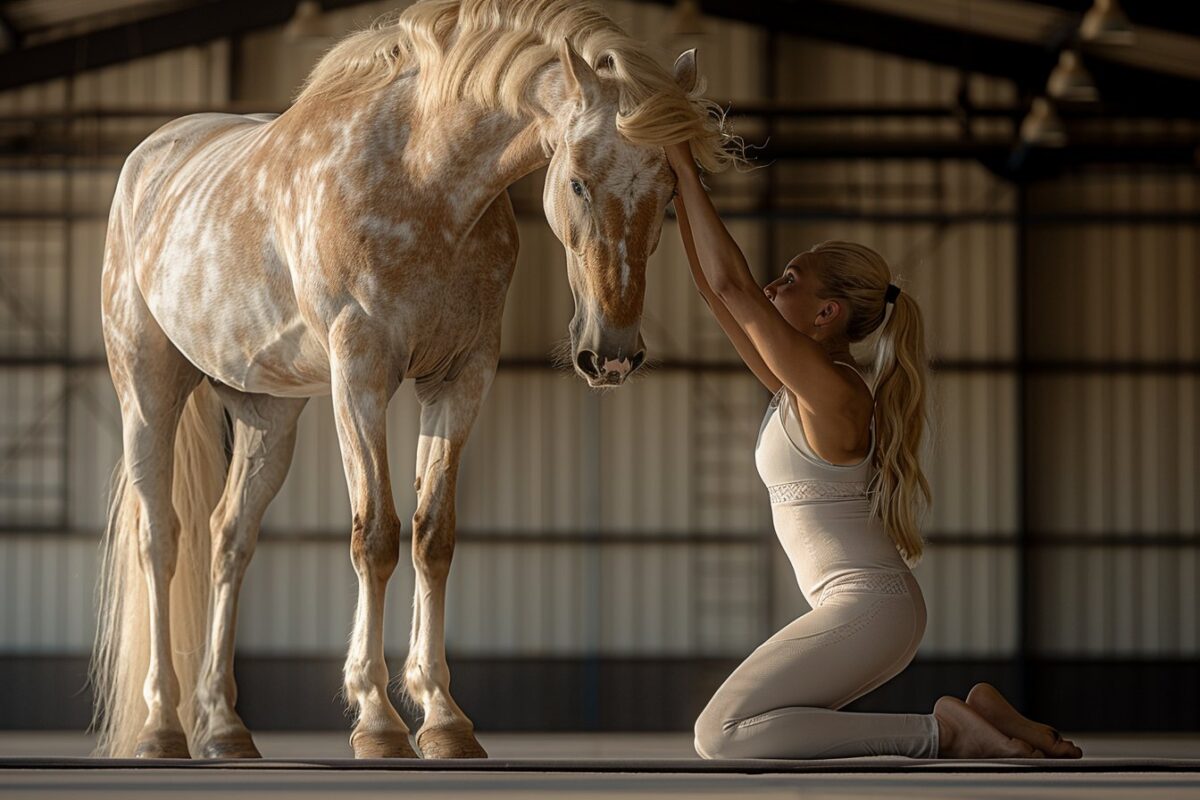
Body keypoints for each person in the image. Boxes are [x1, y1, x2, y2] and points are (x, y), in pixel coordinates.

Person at [665, 141, 1083, 760]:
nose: (771, 286)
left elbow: (734, 286)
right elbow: (717, 292)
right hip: (869, 611)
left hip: (869, 609)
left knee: (721, 735)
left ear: (826, 313)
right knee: (731, 731)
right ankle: (979, 717)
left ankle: (945, 734)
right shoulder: (798, 390)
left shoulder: (835, 394)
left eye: (789, 281)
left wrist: (684, 163)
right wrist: (673, 193)